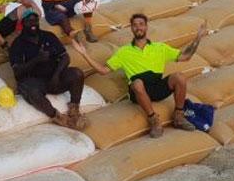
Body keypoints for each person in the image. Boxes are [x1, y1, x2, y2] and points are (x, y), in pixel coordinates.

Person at [71, 13, 207, 138]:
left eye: (141, 24)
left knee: (179, 77)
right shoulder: (124, 52)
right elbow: (103, 70)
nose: (138, 27)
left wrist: (198, 38)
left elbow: (186, 57)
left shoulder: (160, 47)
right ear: (131, 29)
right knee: (137, 83)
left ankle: (178, 116)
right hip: (138, 91)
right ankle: (153, 120)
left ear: (146, 27)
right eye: (135, 25)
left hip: (156, 86)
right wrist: (84, 54)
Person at [10, 9, 88, 130]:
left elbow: (65, 57)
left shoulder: (48, 36)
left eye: (35, 20)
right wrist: (36, 59)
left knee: (77, 73)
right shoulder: (17, 44)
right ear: (23, 23)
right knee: (31, 90)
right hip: (35, 81)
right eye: (29, 21)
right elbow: (17, 71)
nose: (33, 24)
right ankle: (57, 117)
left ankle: (74, 109)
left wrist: (56, 75)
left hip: (54, 77)